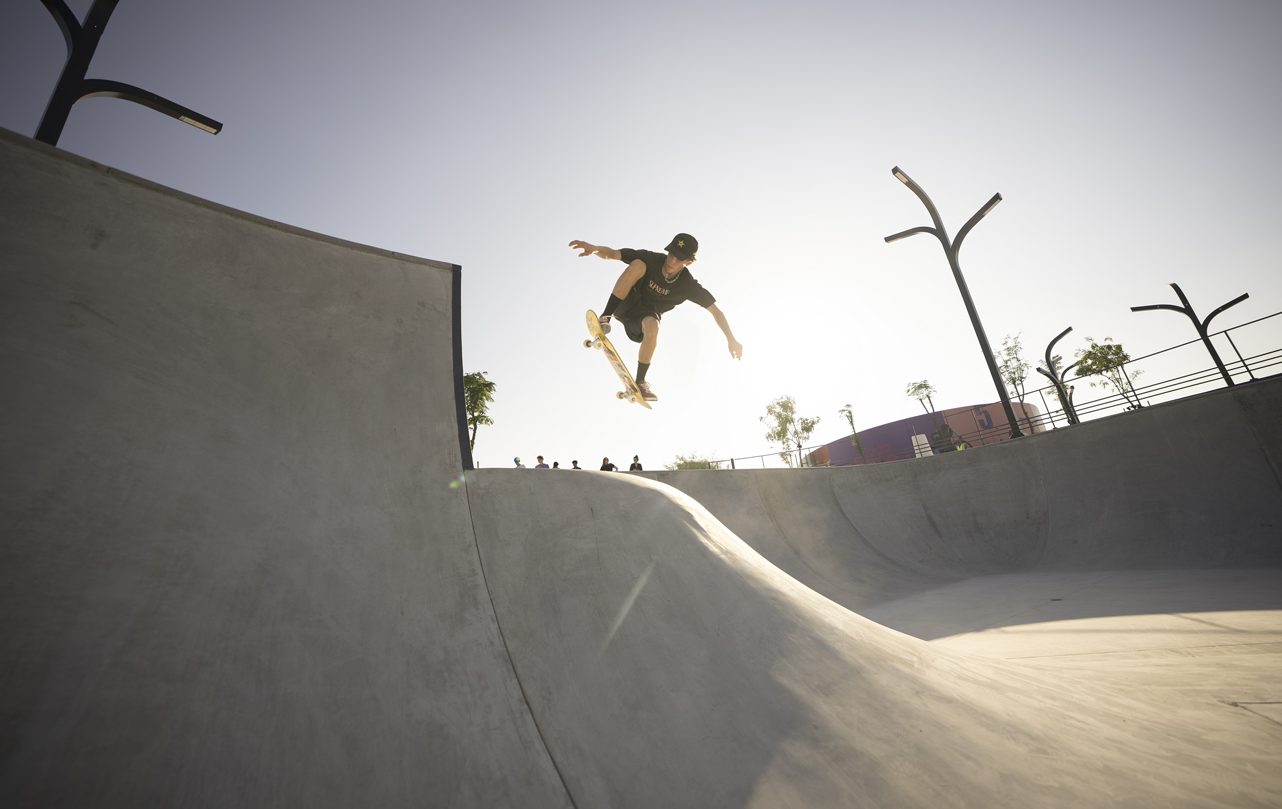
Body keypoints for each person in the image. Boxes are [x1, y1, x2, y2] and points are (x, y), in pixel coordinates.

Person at [569, 233, 742, 402]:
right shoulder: (652, 259)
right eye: (671, 254)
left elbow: (716, 312)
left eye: (679, 259)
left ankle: (640, 382)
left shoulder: (688, 285)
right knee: (638, 264)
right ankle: (605, 317)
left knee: (653, 326)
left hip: (641, 321)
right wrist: (594, 249)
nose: (671, 261)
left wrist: (731, 339)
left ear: (689, 262)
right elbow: (614, 254)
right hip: (624, 303)